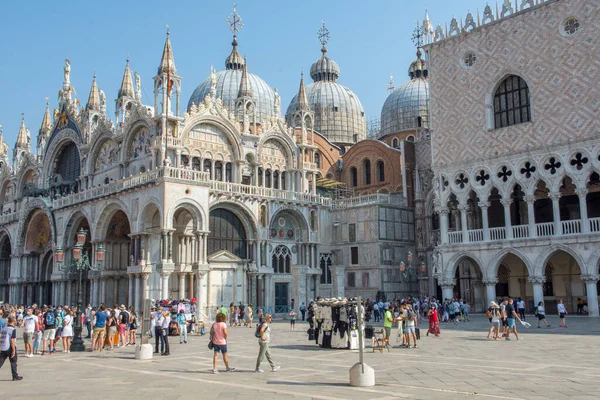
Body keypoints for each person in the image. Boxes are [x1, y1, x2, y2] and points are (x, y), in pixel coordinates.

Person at [0, 317, 22, 381]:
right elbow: (12, 340)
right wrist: (13, 350)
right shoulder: (12, 329)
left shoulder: (4, 328)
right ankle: (15, 376)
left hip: (3, 346)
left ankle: (15, 376)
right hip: (9, 346)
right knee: (13, 361)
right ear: (14, 322)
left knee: (1, 361)